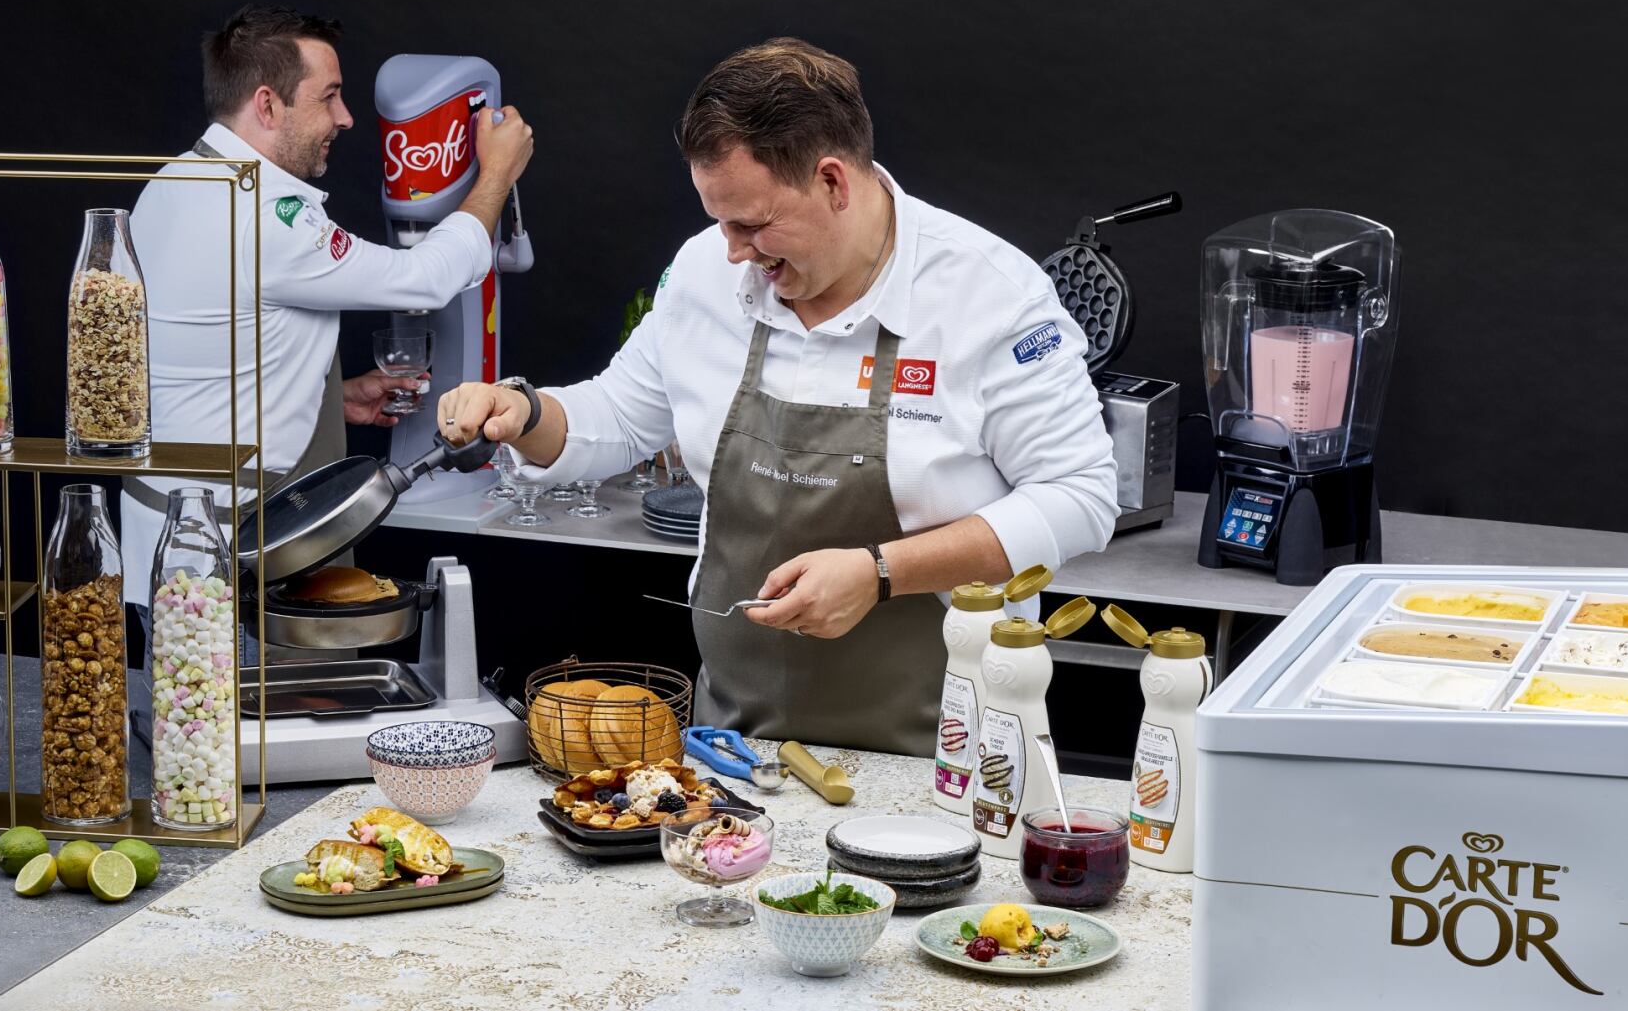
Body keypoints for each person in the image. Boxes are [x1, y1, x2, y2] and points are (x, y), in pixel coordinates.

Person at [435, 39, 1118, 757]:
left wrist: (879, 573)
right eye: (718, 220)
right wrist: (526, 412)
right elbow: (619, 415)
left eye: (752, 224)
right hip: (732, 746)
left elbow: (1079, 495)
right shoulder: (706, 271)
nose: (731, 249)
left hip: (949, 747)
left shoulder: (989, 296)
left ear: (832, 181)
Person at [119, 4, 533, 603]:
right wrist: (494, 176)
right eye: (329, 97)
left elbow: (205, 358)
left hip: (161, 538)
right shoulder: (263, 216)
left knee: (174, 695)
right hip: (244, 551)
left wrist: (327, 398)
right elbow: (425, 279)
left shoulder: (173, 181)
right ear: (267, 104)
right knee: (269, 698)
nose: (346, 118)